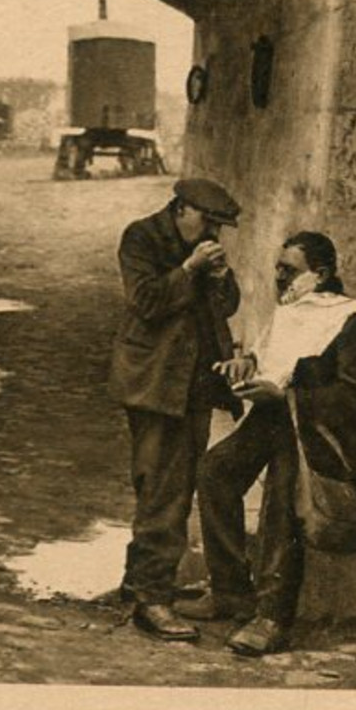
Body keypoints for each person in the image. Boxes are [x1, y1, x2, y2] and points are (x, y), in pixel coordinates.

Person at [179, 230, 356, 656]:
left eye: (288, 271)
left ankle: (272, 616)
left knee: (282, 493)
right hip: (277, 416)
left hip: (325, 432)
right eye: (277, 269)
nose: (278, 278)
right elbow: (267, 357)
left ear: (321, 274)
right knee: (215, 471)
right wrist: (244, 363)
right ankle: (231, 590)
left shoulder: (355, 322)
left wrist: (289, 392)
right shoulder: (289, 311)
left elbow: (352, 396)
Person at [110, 177, 243, 642]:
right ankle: (153, 601)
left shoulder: (204, 245)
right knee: (163, 489)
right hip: (155, 382)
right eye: (208, 221)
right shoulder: (141, 237)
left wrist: (222, 279)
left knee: (172, 485)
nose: (215, 235)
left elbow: (225, 307)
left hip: (194, 384)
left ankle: (138, 582)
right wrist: (189, 268)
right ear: (182, 209)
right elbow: (146, 303)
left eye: (219, 227)